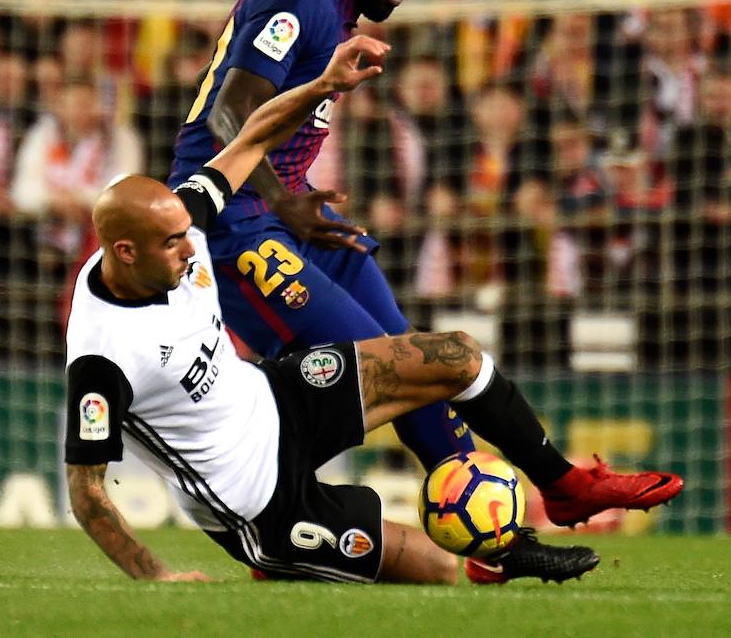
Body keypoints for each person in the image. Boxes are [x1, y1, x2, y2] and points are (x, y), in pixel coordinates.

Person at [167, 0, 682, 579]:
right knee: (386, 366)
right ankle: (284, 525)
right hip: (230, 226)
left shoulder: (336, 13)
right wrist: (281, 202)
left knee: (419, 359)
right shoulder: (300, 0)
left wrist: (292, 204)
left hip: (286, 217)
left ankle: (519, 522)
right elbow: (227, 116)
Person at [66, 37, 628, 584]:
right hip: (259, 502)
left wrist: (323, 85)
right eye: (171, 244)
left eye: (184, 233)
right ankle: (282, 560)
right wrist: (158, 576)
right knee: (436, 570)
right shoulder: (102, 355)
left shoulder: (184, 218)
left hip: (278, 400)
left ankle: (558, 490)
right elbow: (86, 489)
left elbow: (250, 137)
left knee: (456, 356)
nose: (190, 248)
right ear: (125, 252)